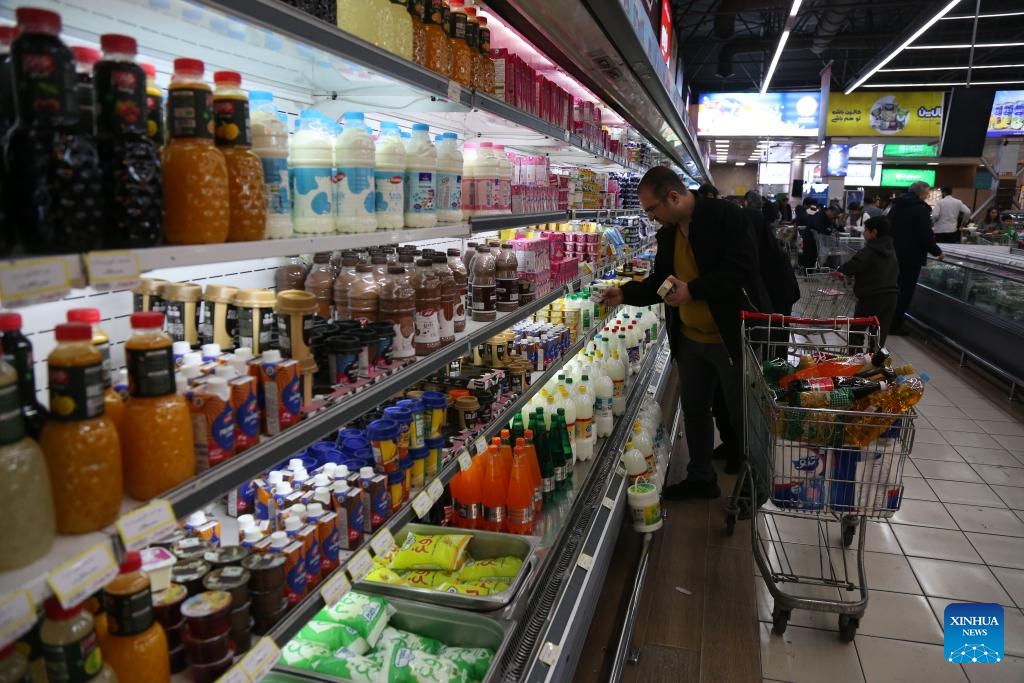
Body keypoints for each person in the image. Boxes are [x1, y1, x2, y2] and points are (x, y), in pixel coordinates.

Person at [602, 167, 770, 500]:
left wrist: (693, 291)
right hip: (691, 339)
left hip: (730, 338)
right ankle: (700, 478)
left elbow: (741, 269)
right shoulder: (668, 234)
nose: (651, 218)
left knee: (744, 416)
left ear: (674, 197)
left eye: (652, 210)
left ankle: (756, 485)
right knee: (695, 411)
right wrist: (626, 293)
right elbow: (663, 283)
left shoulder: (725, 218)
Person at [833, 216, 899, 348]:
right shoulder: (891, 250)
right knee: (879, 334)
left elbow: (852, 266)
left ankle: (855, 364)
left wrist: (840, 270)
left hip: (871, 297)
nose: (863, 233)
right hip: (891, 297)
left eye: (866, 230)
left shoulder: (870, 250)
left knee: (856, 332)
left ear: (874, 232)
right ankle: (875, 363)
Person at [890, 180, 944, 335]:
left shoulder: (897, 206)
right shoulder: (920, 210)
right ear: (921, 192)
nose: (927, 196)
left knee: (892, 290)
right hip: (911, 258)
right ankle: (895, 325)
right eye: (927, 193)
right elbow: (925, 235)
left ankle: (886, 321)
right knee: (904, 292)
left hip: (893, 255)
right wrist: (937, 251)